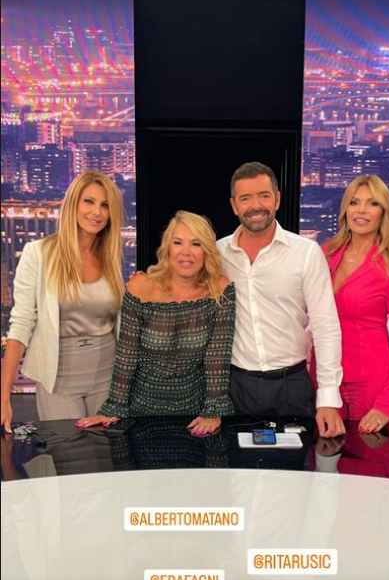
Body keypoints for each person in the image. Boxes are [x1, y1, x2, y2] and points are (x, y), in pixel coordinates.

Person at [76, 211, 235, 436]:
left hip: (196, 413)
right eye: (177, 243)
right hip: (141, 411)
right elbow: (127, 353)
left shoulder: (220, 289)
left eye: (196, 244)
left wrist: (213, 410)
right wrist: (115, 406)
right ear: (167, 248)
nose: (186, 252)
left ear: (207, 251)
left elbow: (217, 356)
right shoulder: (140, 286)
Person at [217, 161, 344, 438]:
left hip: (292, 387)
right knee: (236, 465)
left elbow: (325, 327)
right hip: (235, 388)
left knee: (294, 466)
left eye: (263, 195)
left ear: (277, 199)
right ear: (234, 205)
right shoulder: (217, 254)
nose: (256, 205)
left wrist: (328, 399)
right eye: (245, 198)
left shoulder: (306, 253)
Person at [1, 171, 124, 430]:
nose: (97, 212)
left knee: (107, 453)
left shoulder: (111, 255)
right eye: (89, 201)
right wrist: (4, 395)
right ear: (73, 204)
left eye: (105, 205)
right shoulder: (38, 253)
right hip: (58, 379)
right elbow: (21, 324)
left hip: (108, 378)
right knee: (69, 451)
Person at [318, 174, 389, 434]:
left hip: (371, 384)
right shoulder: (325, 254)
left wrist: (385, 404)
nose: (361, 210)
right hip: (325, 380)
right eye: (354, 202)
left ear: (383, 213)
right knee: (323, 454)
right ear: (345, 209)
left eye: (372, 203)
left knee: (369, 457)